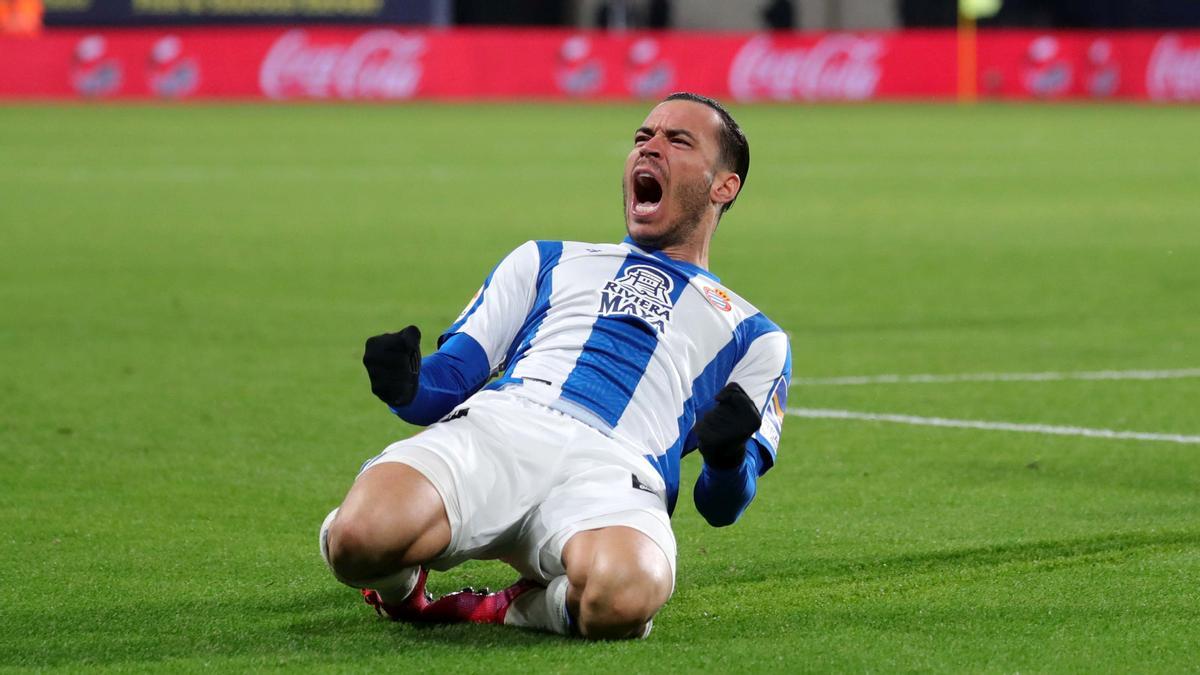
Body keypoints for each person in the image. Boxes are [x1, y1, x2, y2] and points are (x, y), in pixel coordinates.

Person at [319, 92, 791, 640]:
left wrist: (729, 456)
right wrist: (405, 383)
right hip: (504, 428)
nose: (649, 147)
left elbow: (722, 504)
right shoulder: (546, 258)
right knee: (357, 541)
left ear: (723, 186)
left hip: (617, 473)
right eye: (643, 137)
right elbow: (444, 383)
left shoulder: (758, 337)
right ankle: (400, 591)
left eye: (676, 140)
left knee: (626, 595)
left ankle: (504, 607)